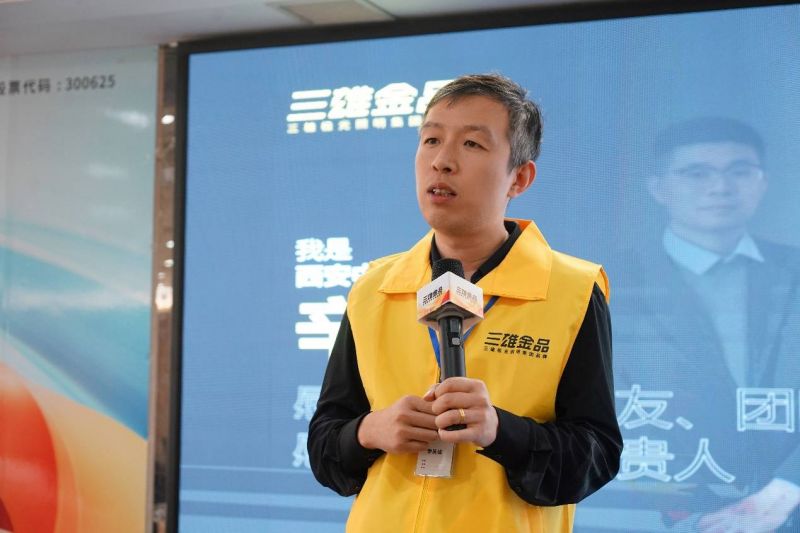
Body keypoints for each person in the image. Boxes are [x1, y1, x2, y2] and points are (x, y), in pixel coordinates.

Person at [308, 73, 622, 532]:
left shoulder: (572, 290)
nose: (442, 161)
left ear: (519, 177)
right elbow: (324, 446)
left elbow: (596, 455)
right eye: (431, 140)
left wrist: (501, 431)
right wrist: (369, 431)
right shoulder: (375, 287)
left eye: (472, 144)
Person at [611, 117, 800, 532]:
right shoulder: (610, 281)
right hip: (660, 506)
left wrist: (789, 484)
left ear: (763, 183)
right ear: (659, 188)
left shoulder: (795, 271)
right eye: (696, 173)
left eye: (740, 171)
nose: (720, 187)